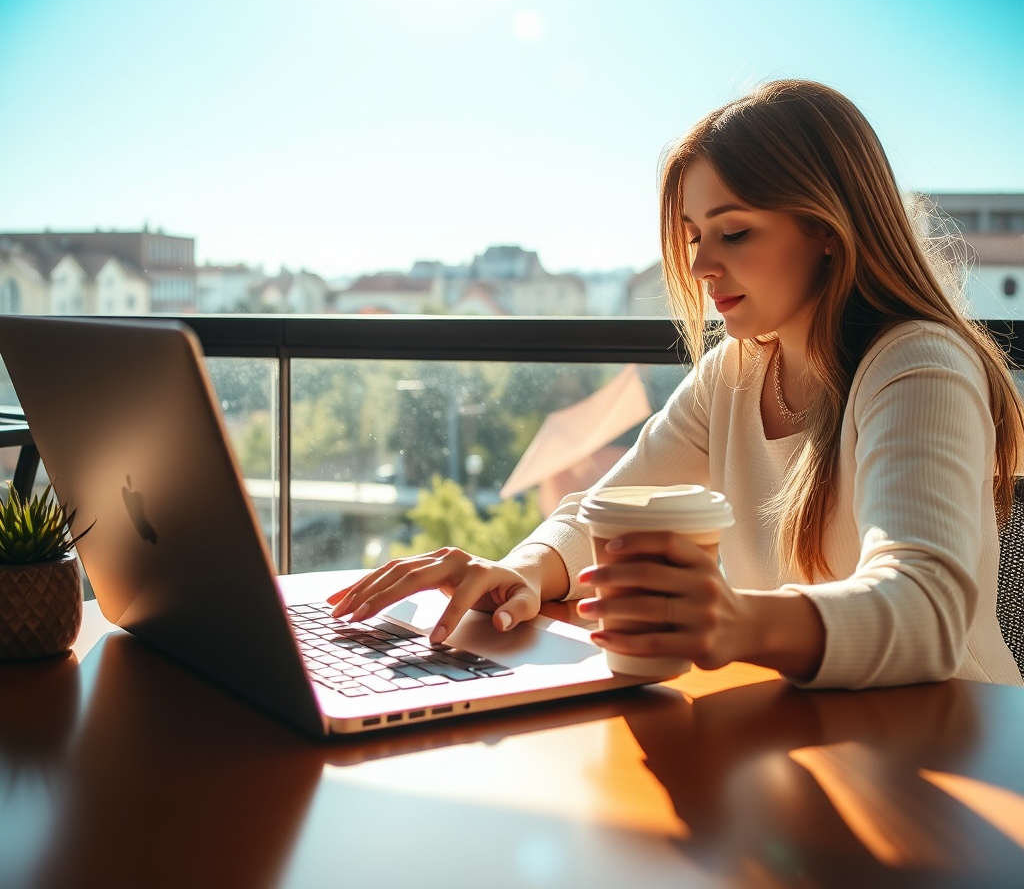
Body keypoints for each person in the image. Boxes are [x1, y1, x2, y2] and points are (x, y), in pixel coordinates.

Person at [329, 79, 1024, 689]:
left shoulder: (918, 366)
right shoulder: (735, 371)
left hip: (958, 760)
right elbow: (599, 511)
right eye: (694, 235)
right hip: (815, 746)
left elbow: (926, 609)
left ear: (827, 231)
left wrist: (736, 621)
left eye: (735, 232)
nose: (700, 266)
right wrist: (521, 571)